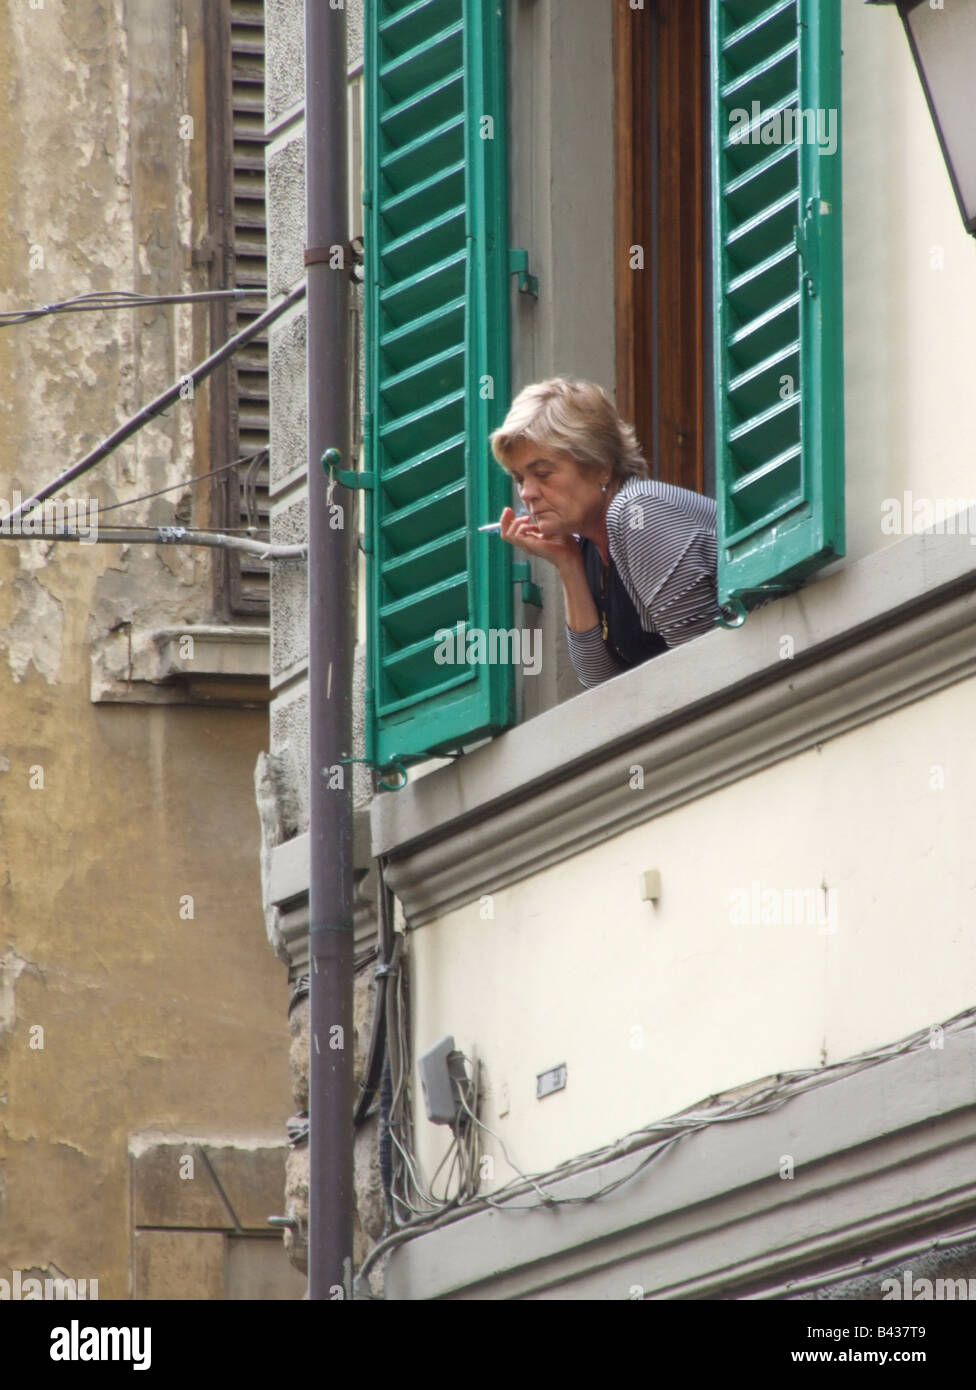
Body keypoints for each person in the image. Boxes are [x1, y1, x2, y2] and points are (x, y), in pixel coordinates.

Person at [489, 377, 721, 689]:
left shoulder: (639, 512)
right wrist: (568, 564)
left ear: (601, 466)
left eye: (543, 474)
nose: (527, 493)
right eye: (519, 479)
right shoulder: (589, 546)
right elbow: (600, 684)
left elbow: (705, 664)